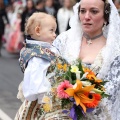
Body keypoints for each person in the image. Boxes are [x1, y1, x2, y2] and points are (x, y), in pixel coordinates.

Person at [53, 0, 120, 119]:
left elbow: (112, 94)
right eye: (83, 11)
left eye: (94, 11)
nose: (86, 17)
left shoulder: (115, 51)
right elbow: (47, 71)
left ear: (105, 17)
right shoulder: (63, 40)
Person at [15, 12, 70, 120]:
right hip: (46, 104)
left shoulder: (45, 49)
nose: (55, 34)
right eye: (51, 30)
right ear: (38, 31)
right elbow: (34, 84)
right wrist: (45, 101)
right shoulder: (36, 56)